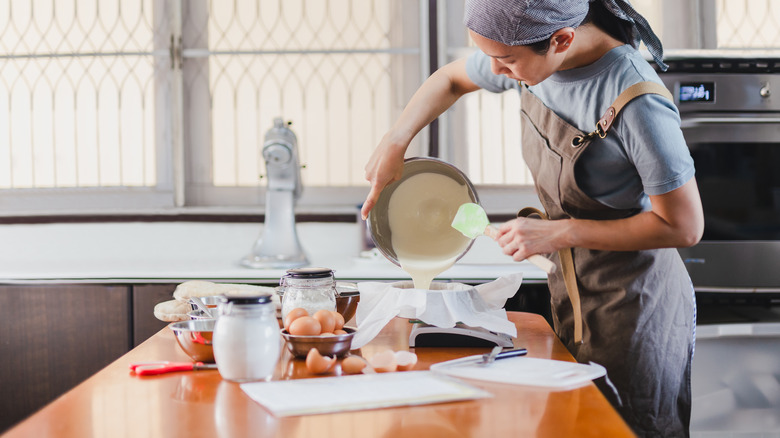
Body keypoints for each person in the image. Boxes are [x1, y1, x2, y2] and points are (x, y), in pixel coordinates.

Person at [360, 1, 704, 436]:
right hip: (572, 291)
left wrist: (557, 232)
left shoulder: (637, 101)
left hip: (635, 307)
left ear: (562, 39)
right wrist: (396, 140)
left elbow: (684, 226)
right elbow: (450, 78)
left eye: (504, 61)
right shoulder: (532, 54)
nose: (494, 71)